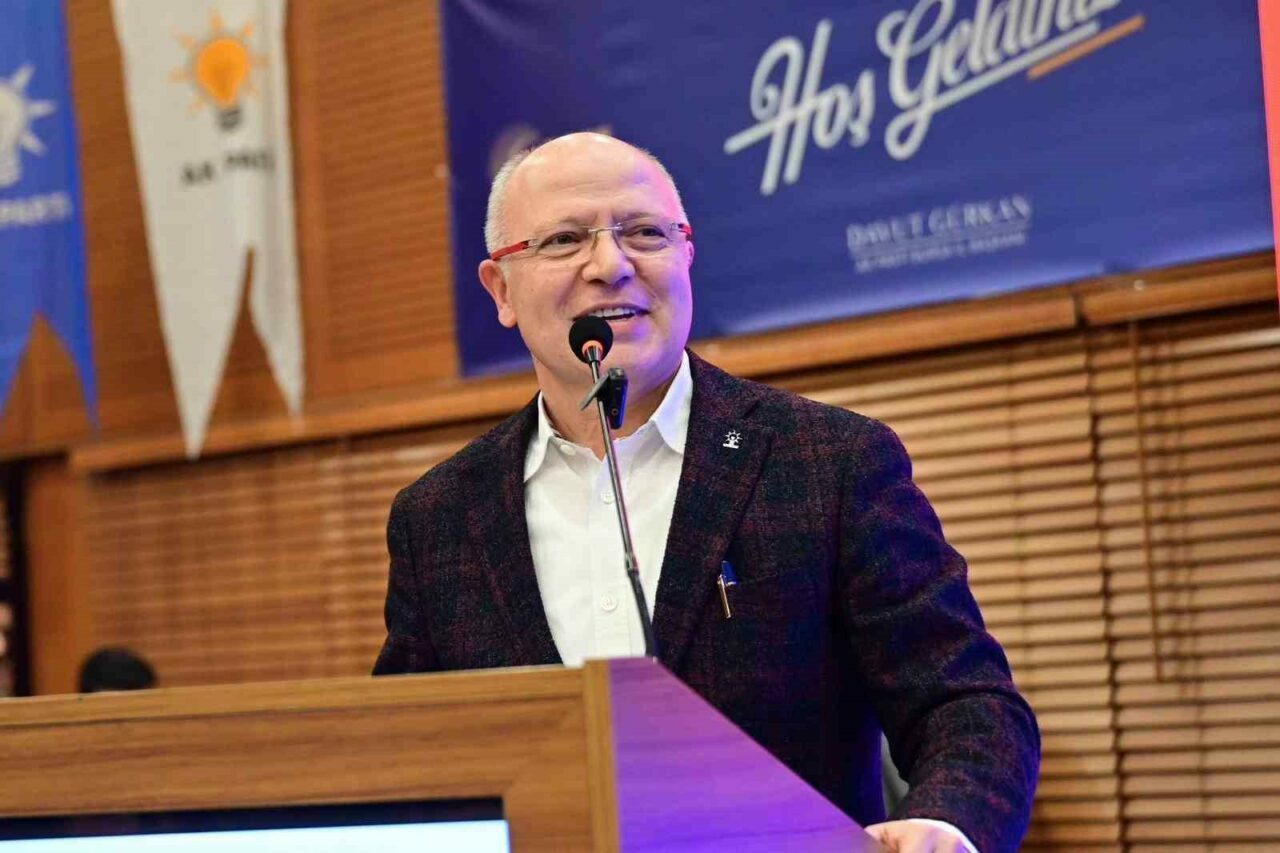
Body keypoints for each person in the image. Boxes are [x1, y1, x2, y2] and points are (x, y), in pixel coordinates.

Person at [374, 133, 1039, 852]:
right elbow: (399, 757)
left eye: (644, 233)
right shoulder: (439, 516)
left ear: (686, 254)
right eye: (565, 240)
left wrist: (944, 823)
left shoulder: (828, 463)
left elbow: (963, 703)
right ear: (501, 290)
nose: (611, 265)